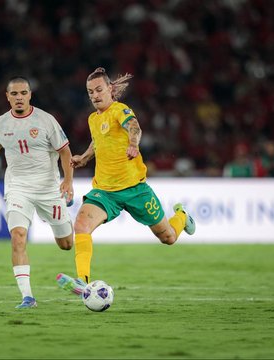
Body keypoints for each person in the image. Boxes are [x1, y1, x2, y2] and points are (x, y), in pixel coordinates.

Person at [56, 67, 196, 295]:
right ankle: (82, 281)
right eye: (90, 92)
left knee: (168, 237)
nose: (94, 95)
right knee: (81, 225)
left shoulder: (120, 110)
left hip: (135, 190)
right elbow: (98, 141)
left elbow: (134, 127)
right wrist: (85, 157)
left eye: (99, 90)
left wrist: (133, 143)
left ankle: (182, 215)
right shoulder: (93, 118)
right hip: (105, 192)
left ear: (110, 89)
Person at [0, 76, 75, 309]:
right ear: (7, 97)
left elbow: (65, 152)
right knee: (18, 237)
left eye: (24, 93)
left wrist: (68, 181)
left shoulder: (46, 120)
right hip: (18, 188)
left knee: (66, 244)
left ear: (30, 95)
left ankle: (58, 218)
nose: (19, 97)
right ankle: (27, 297)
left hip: (49, 188)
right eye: (15, 94)